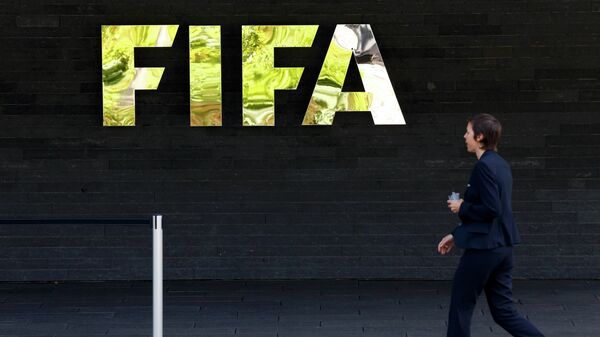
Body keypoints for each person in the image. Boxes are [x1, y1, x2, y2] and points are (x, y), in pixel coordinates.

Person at [437, 114, 545, 337]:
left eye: (468, 132)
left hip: (483, 249)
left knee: (461, 306)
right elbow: (495, 208)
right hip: (503, 248)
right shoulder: (501, 164)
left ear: (480, 136)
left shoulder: (483, 167)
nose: (464, 136)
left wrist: (462, 207)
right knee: (503, 311)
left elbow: (492, 209)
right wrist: (456, 235)